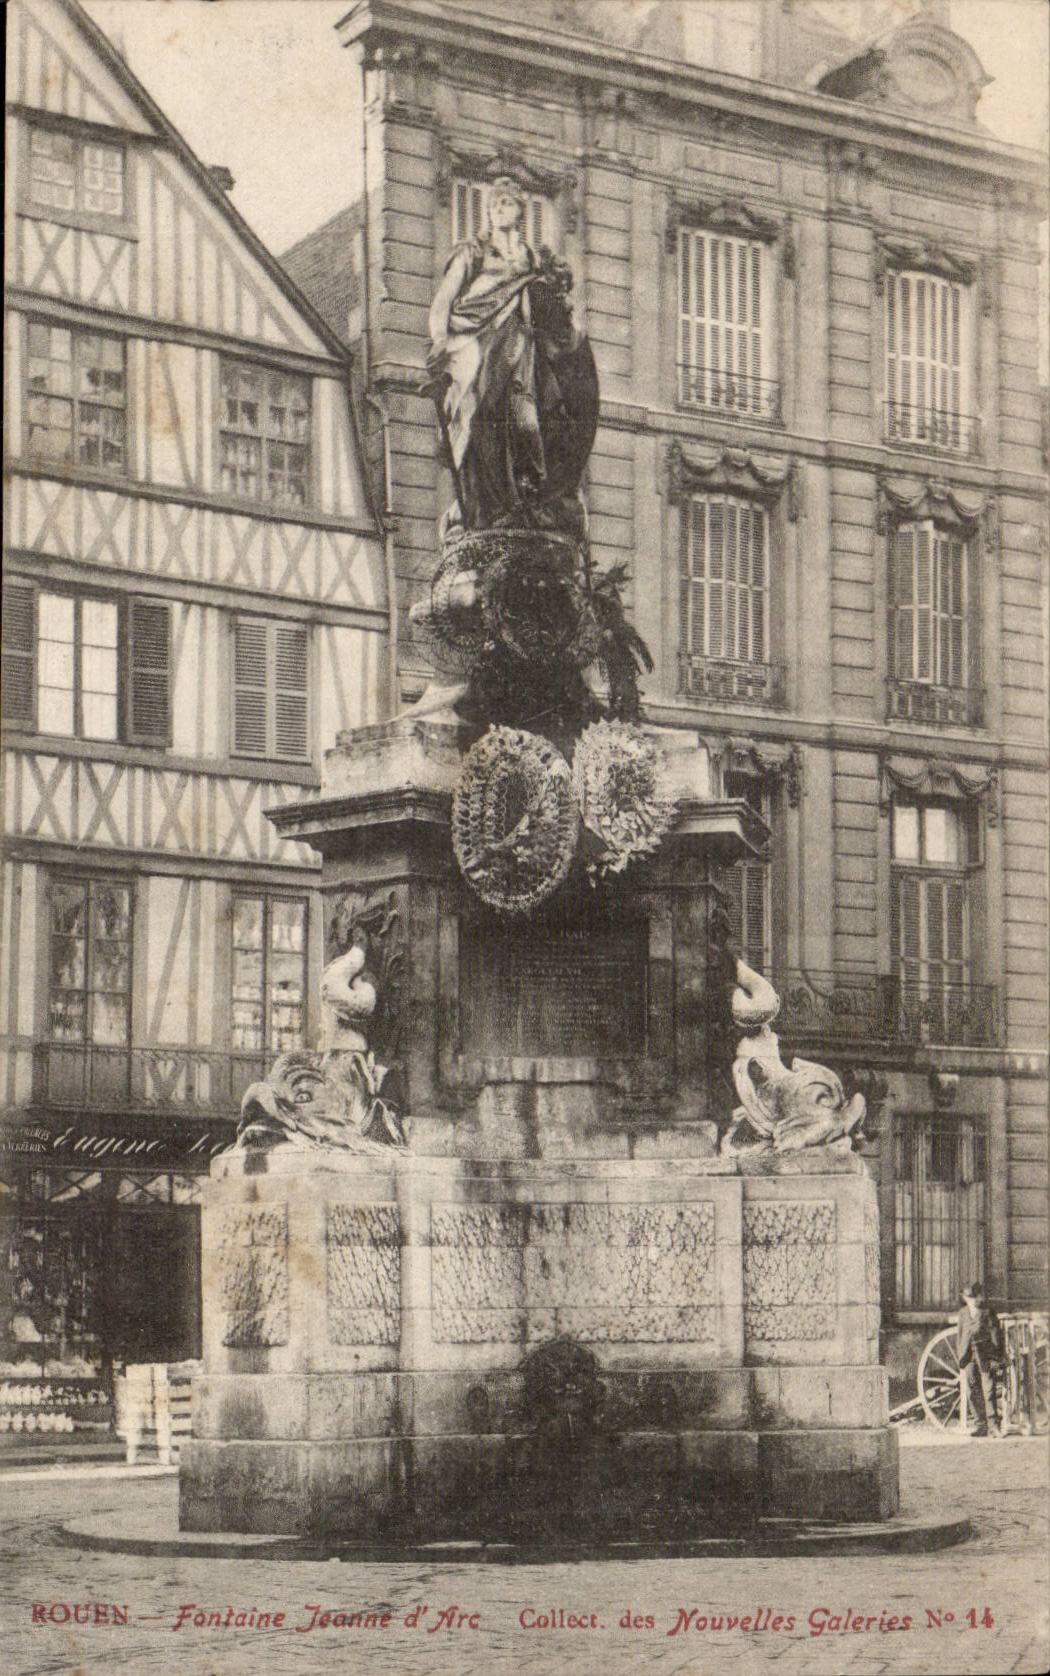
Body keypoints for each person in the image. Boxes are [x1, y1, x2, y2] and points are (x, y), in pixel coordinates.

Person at [424, 176, 597, 534]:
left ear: (519, 208)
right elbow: (443, 301)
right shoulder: (472, 252)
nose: (498, 209)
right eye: (493, 204)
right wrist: (439, 340)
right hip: (475, 344)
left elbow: (553, 303)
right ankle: (482, 506)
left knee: (527, 423)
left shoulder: (533, 258)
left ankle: (526, 499)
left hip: (520, 349)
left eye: (505, 203)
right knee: (478, 416)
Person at [956, 1280, 1003, 1437]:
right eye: (970, 1297)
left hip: (985, 1355)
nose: (974, 1300)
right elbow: (960, 1335)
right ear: (965, 1298)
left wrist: (996, 1357)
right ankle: (980, 1424)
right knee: (972, 1389)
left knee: (988, 1390)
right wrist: (960, 1355)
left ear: (980, 1296)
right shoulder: (963, 1313)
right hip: (968, 1355)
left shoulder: (988, 1312)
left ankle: (993, 1426)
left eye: (976, 1297)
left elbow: (996, 1335)